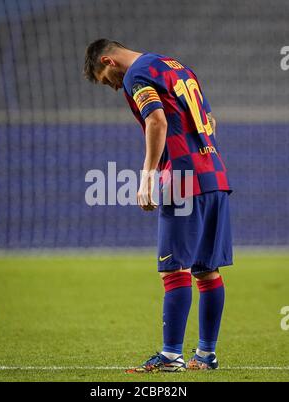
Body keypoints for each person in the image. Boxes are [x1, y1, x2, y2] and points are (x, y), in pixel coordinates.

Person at [83, 39, 233, 372]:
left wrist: (148, 175)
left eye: (105, 78)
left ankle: (170, 357)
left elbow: (157, 122)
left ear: (108, 60)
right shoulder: (176, 67)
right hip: (215, 174)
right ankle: (206, 356)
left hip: (182, 178)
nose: (111, 86)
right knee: (207, 269)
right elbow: (210, 121)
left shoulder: (137, 74)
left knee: (173, 269)